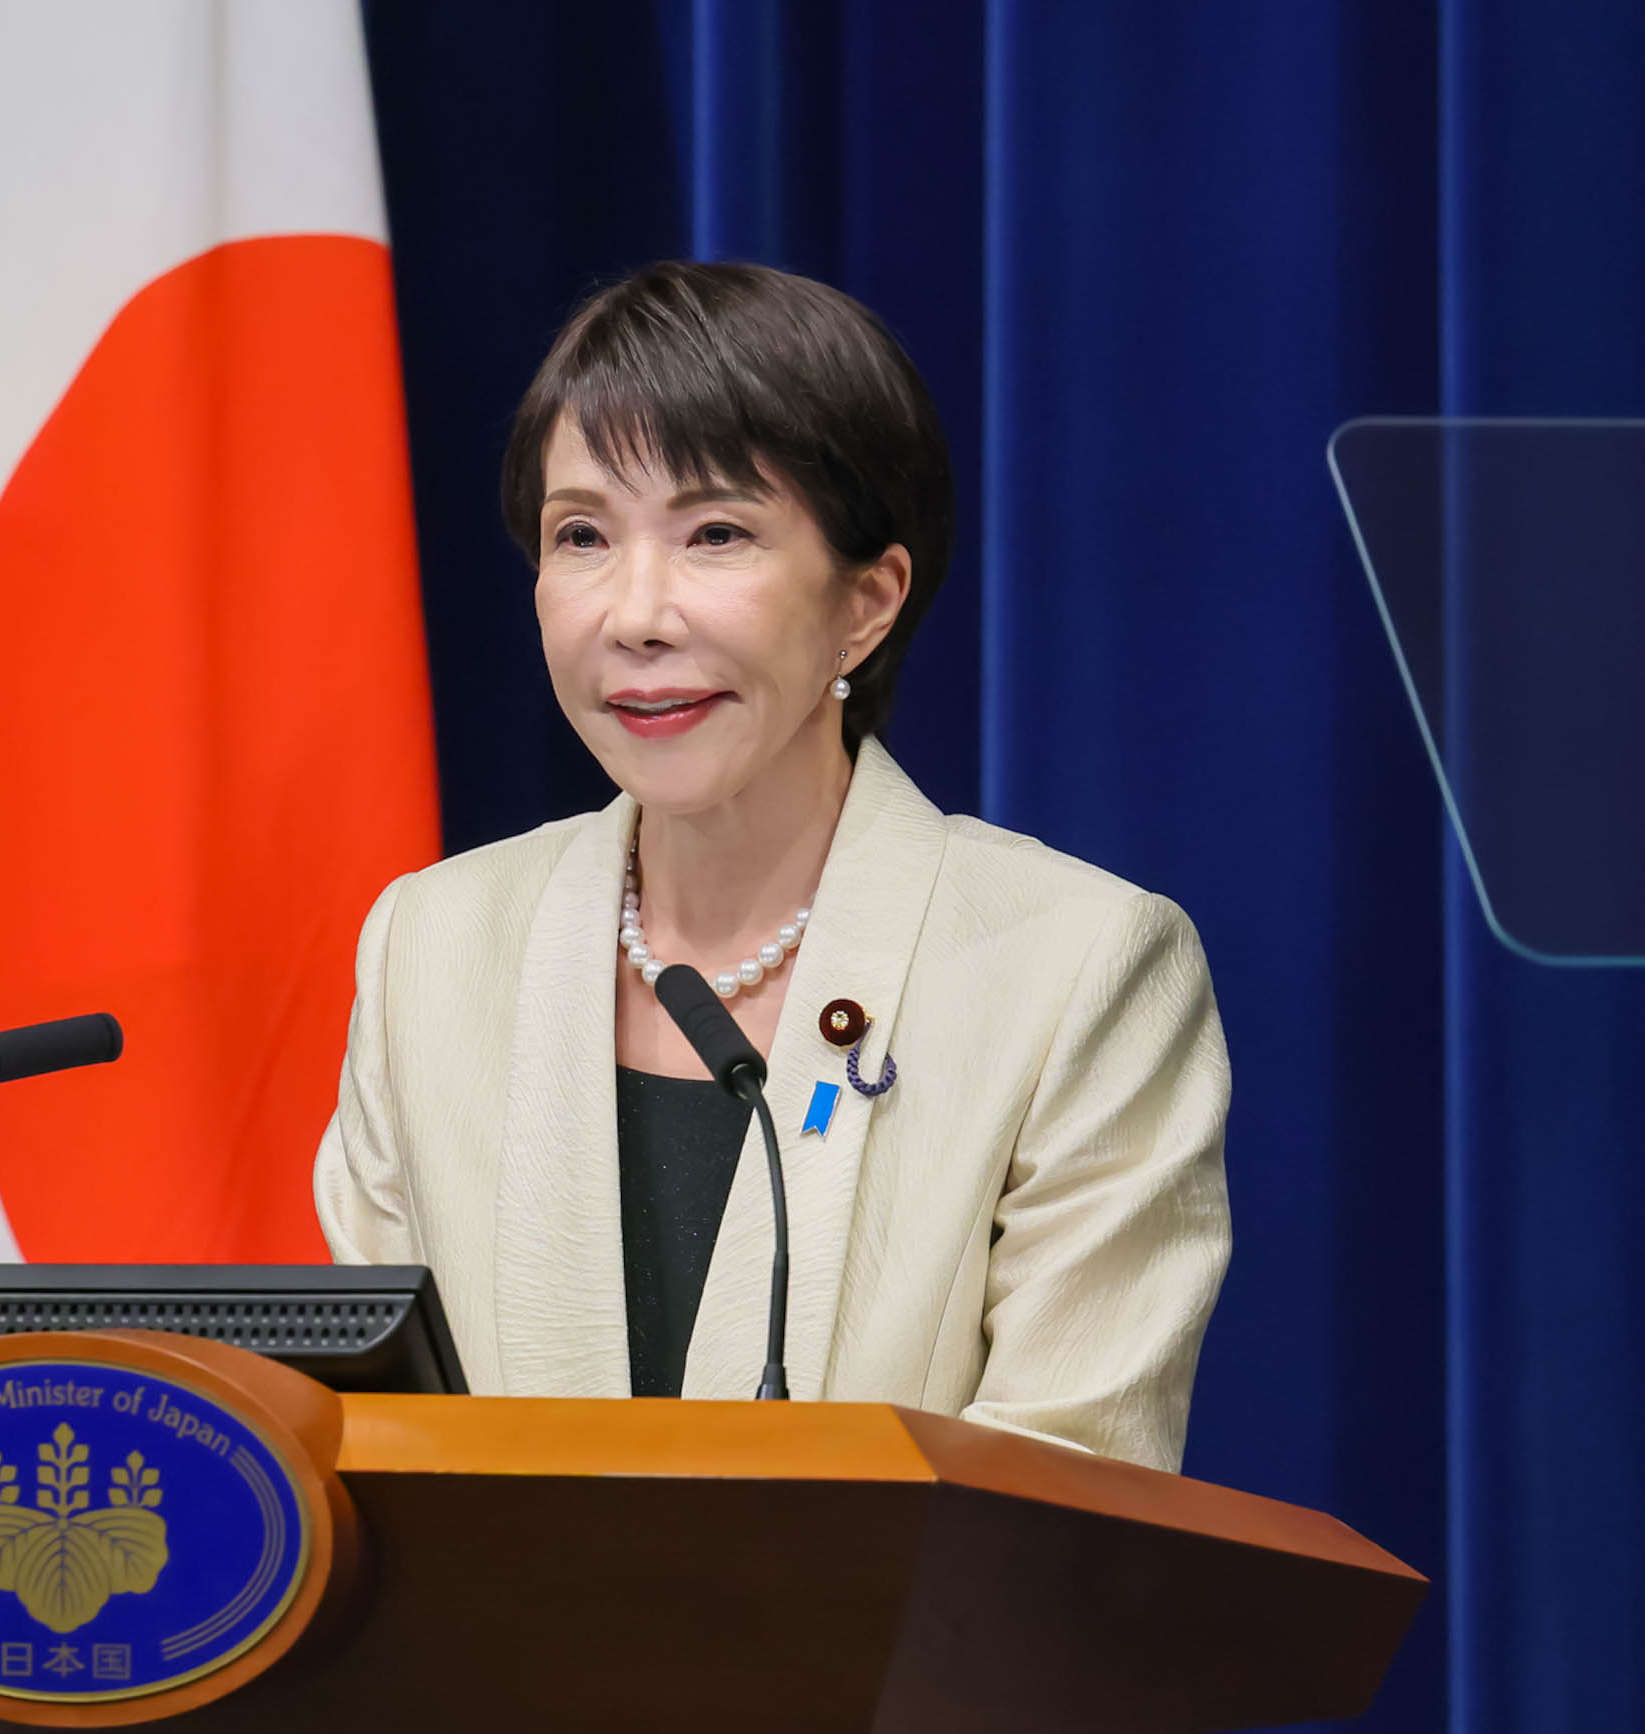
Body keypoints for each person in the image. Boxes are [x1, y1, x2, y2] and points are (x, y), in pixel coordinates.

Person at [313, 261, 1229, 1472]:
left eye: (716, 535)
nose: (635, 615)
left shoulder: (1074, 968)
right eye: (581, 535)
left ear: (865, 603)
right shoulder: (433, 944)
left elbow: (1065, 1503)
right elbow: (374, 1455)